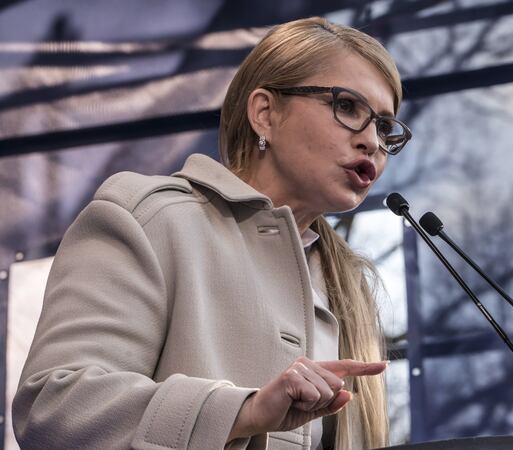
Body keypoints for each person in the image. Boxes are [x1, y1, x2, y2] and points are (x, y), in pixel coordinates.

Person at [12, 16, 412, 450]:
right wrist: (243, 412)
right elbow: (55, 405)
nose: (371, 140)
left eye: (384, 127)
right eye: (348, 107)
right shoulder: (149, 217)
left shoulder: (348, 283)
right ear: (265, 113)